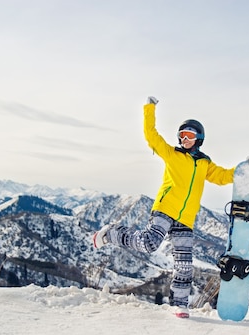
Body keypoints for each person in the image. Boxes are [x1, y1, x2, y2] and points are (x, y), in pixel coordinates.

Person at [93, 96, 236, 318]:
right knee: (149, 243)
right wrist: (149, 108)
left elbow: (222, 176)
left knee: (184, 265)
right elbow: (152, 136)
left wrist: (242, 173)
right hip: (165, 209)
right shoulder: (172, 154)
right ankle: (112, 234)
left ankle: (179, 304)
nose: (184, 139)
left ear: (199, 139)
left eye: (189, 135)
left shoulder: (204, 163)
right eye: (181, 135)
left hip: (186, 219)